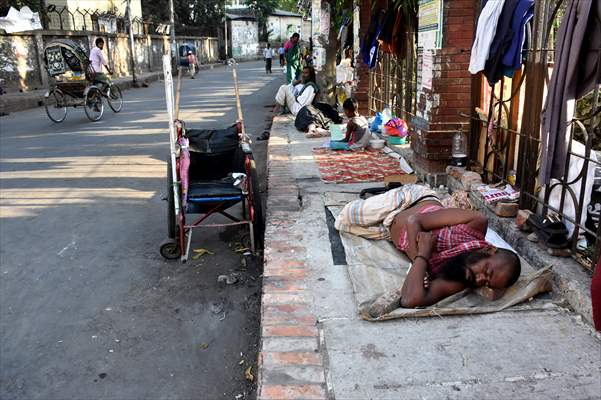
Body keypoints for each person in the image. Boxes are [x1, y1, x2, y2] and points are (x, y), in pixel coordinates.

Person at [334, 185, 521, 314]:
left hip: (387, 232)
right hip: (410, 201)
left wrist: (421, 257)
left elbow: (410, 300)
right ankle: (389, 192)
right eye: (486, 271)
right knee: (344, 216)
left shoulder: (460, 279)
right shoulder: (475, 222)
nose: (480, 279)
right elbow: (415, 220)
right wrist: (419, 254)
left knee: (344, 225)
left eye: (486, 283)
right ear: (490, 250)